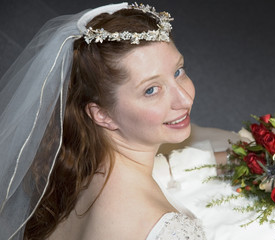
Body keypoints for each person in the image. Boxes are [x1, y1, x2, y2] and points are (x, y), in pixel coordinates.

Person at [0, 2, 206, 240]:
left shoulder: (75, 164)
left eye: (178, 71)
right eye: (151, 90)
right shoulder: (158, 225)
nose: (185, 98)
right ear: (102, 115)